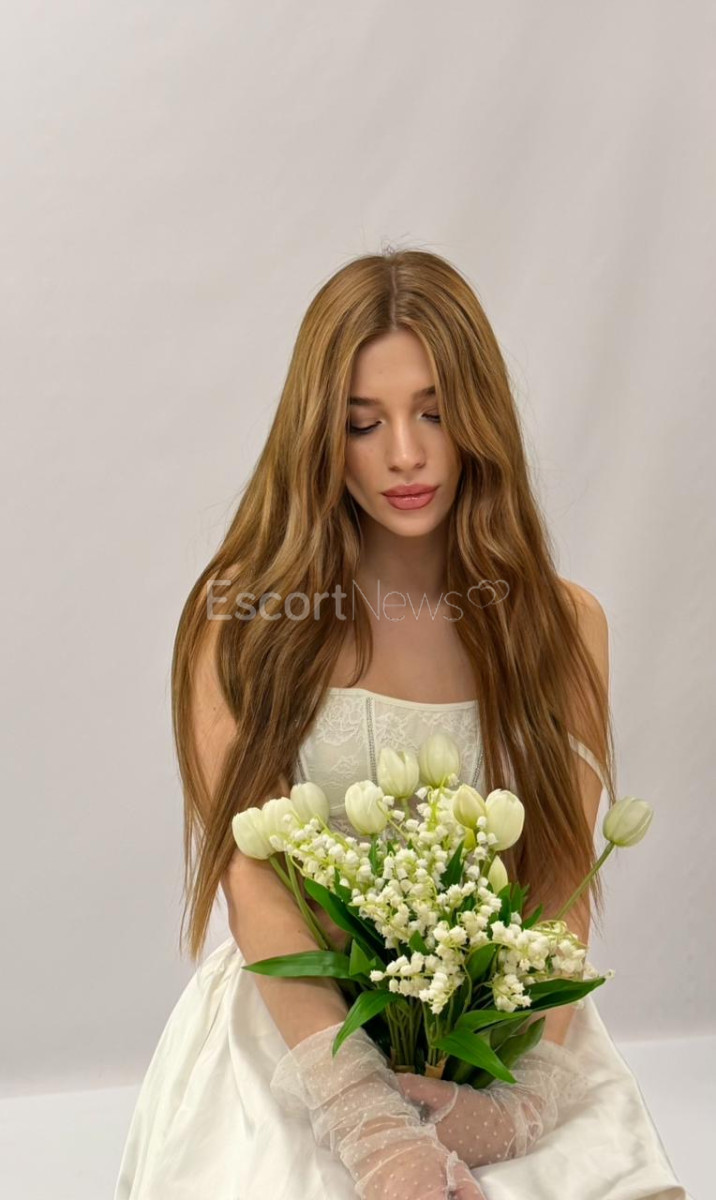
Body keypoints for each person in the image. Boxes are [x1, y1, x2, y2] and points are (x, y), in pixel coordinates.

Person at [114, 249, 689, 1199]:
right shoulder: (242, 622)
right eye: (362, 422)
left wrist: (521, 1103)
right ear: (319, 435)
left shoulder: (563, 623)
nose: (406, 455)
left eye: (434, 411)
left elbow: (557, 882)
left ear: (480, 416)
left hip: (501, 1037)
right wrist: (370, 1125)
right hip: (297, 1032)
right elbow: (252, 887)